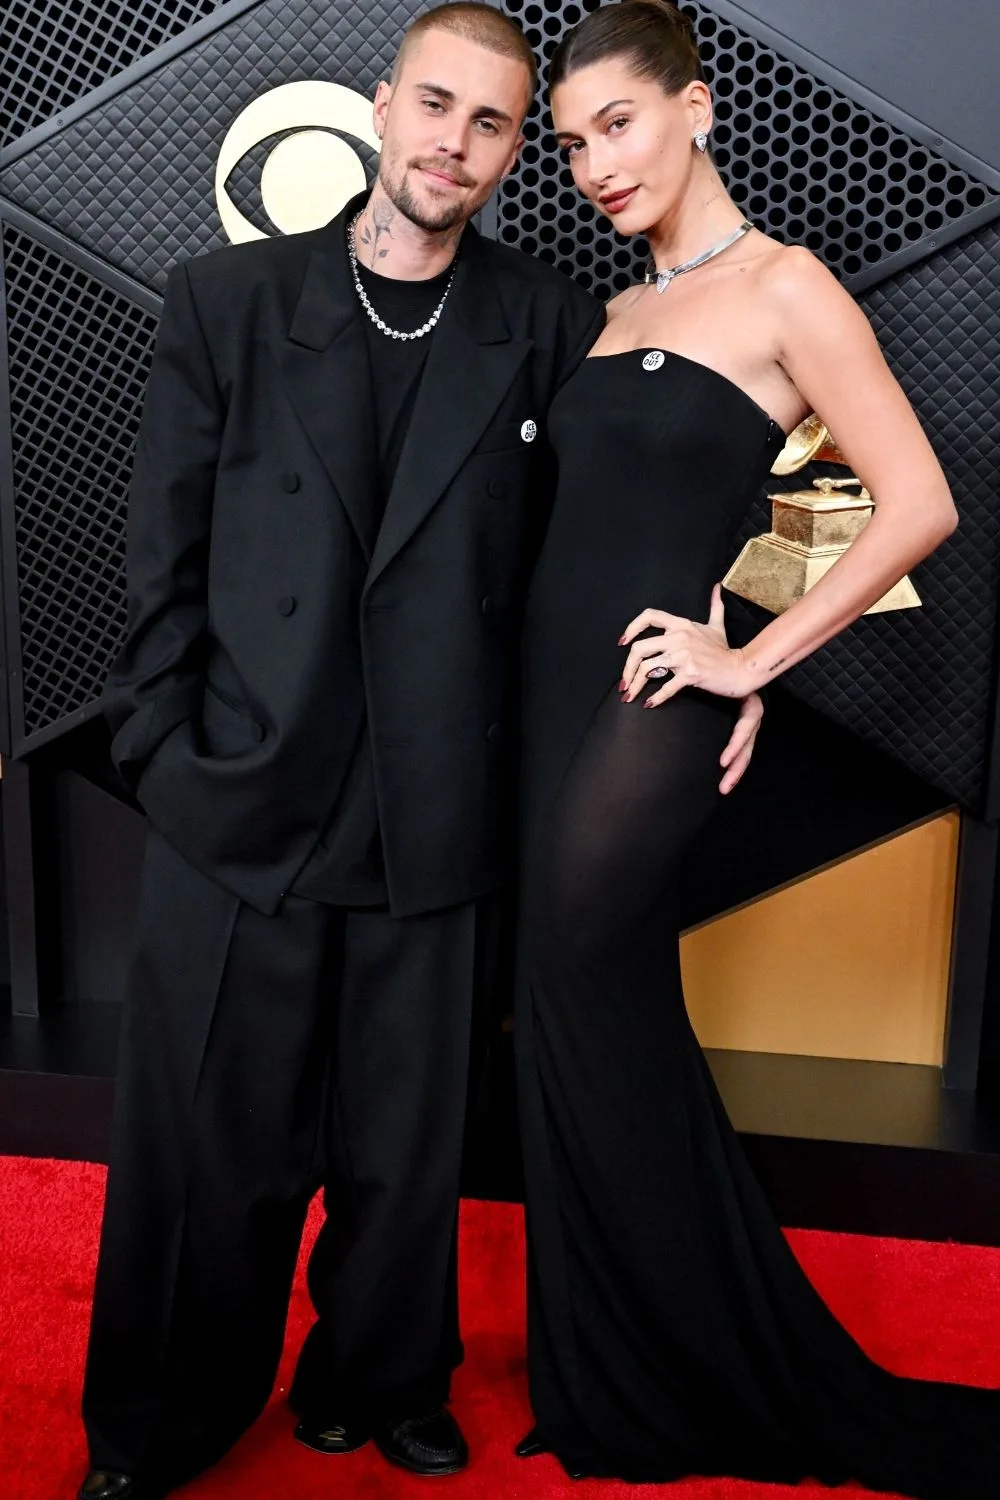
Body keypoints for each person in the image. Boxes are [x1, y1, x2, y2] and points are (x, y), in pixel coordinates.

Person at [77, 6, 766, 1498]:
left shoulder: (546, 321)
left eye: (494, 123)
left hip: (439, 799)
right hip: (241, 796)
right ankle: (155, 1424)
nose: (455, 143)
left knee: (407, 1149)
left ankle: (379, 1376)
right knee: (211, 1145)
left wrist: (737, 641)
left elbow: (659, 490)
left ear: (515, 150)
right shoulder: (228, 299)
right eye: (436, 106)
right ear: (380, 107)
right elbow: (162, 563)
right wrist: (166, 757)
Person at [512, 3, 1000, 1496]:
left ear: (699, 107)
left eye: (619, 124)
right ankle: (626, 1372)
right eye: (572, 141)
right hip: (549, 705)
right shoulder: (612, 311)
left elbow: (913, 495)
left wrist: (746, 663)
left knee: (584, 1003)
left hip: (644, 713)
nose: (596, 163)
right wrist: (751, 637)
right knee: (576, 1029)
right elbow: (759, 513)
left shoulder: (788, 288)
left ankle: (707, 1379)